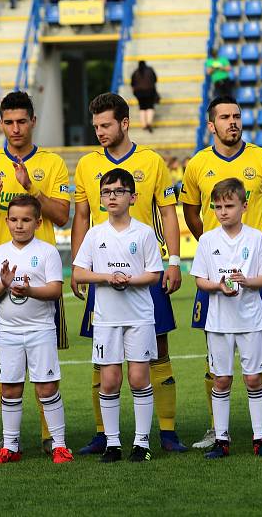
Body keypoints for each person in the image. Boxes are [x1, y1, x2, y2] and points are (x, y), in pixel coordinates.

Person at [72, 92, 186, 455]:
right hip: (102, 271)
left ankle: (166, 431)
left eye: (106, 125)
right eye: (95, 126)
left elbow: (168, 212)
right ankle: (104, 433)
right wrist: (78, 268)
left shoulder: (151, 162)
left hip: (145, 269)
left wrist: (174, 262)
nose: (100, 132)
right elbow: (82, 217)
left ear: (124, 123)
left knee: (158, 349)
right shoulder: (86, 164)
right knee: (102, 356)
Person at [182, 95, 262, 448]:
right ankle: (216, 428)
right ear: (211, 124)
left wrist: (253, 248)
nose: (233, 122)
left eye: (237, 116)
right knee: (213, 345)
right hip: (216, 270)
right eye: (225, 117)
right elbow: (190, 211)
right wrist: (212, 250)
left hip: (253, 269)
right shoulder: (197, 164)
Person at [0, 91, 70, 458]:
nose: (15, 128)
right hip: (0, 278)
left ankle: (50, 436)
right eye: (8, 122)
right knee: (4, 362)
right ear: (1, 124)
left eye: (21, 121)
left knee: (47, 366)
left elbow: (62, 216)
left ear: (32, 122)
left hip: (40, 278)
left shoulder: (52, 163)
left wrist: (31, 188)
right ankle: (8, 438)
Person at [72, 168, 163, 463]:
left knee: (139, 378)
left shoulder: (144, 232)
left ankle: (141, 442)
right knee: (109, 381)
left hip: (139, 317)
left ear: (132, 197)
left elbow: (154, 273)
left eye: (118, 192)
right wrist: (108, 277)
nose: (111, 197)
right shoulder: (95, 233)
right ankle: (112, 443)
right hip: (106, 318)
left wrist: (127, 279)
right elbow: (79, 272)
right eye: (106, 192)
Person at [0, 195, 73, 465]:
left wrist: (29, 289)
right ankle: (10, 447)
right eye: (14, 220)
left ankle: (60, 445)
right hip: (8, 332)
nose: (19, 225)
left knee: (46, 388)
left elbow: (55, 290)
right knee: (9, 389)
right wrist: (3, 285)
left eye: (26, 220)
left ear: (38, 222)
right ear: (7, 221)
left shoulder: (47, 252)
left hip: (40, 329)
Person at [190, 178, 262, 459]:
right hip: (218, 323)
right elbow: (200, 281)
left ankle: (260, 438)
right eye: (217, 207)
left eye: (229, 205)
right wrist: (218, 286)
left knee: (253, 379)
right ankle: (221, 439)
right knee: (221, 380)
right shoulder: (207, 240)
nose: (223, 211)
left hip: (251, 320)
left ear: (244, 206)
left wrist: (247, 281)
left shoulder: (255, 238)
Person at [130, 61, 158, 133]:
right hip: (150, 91)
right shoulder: (150, 70)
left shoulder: (135, 72)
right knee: (150, 107)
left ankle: (144, 124)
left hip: (139, 93)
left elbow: (132, 84)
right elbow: (155, 79)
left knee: (142, 108)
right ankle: (149, 122)